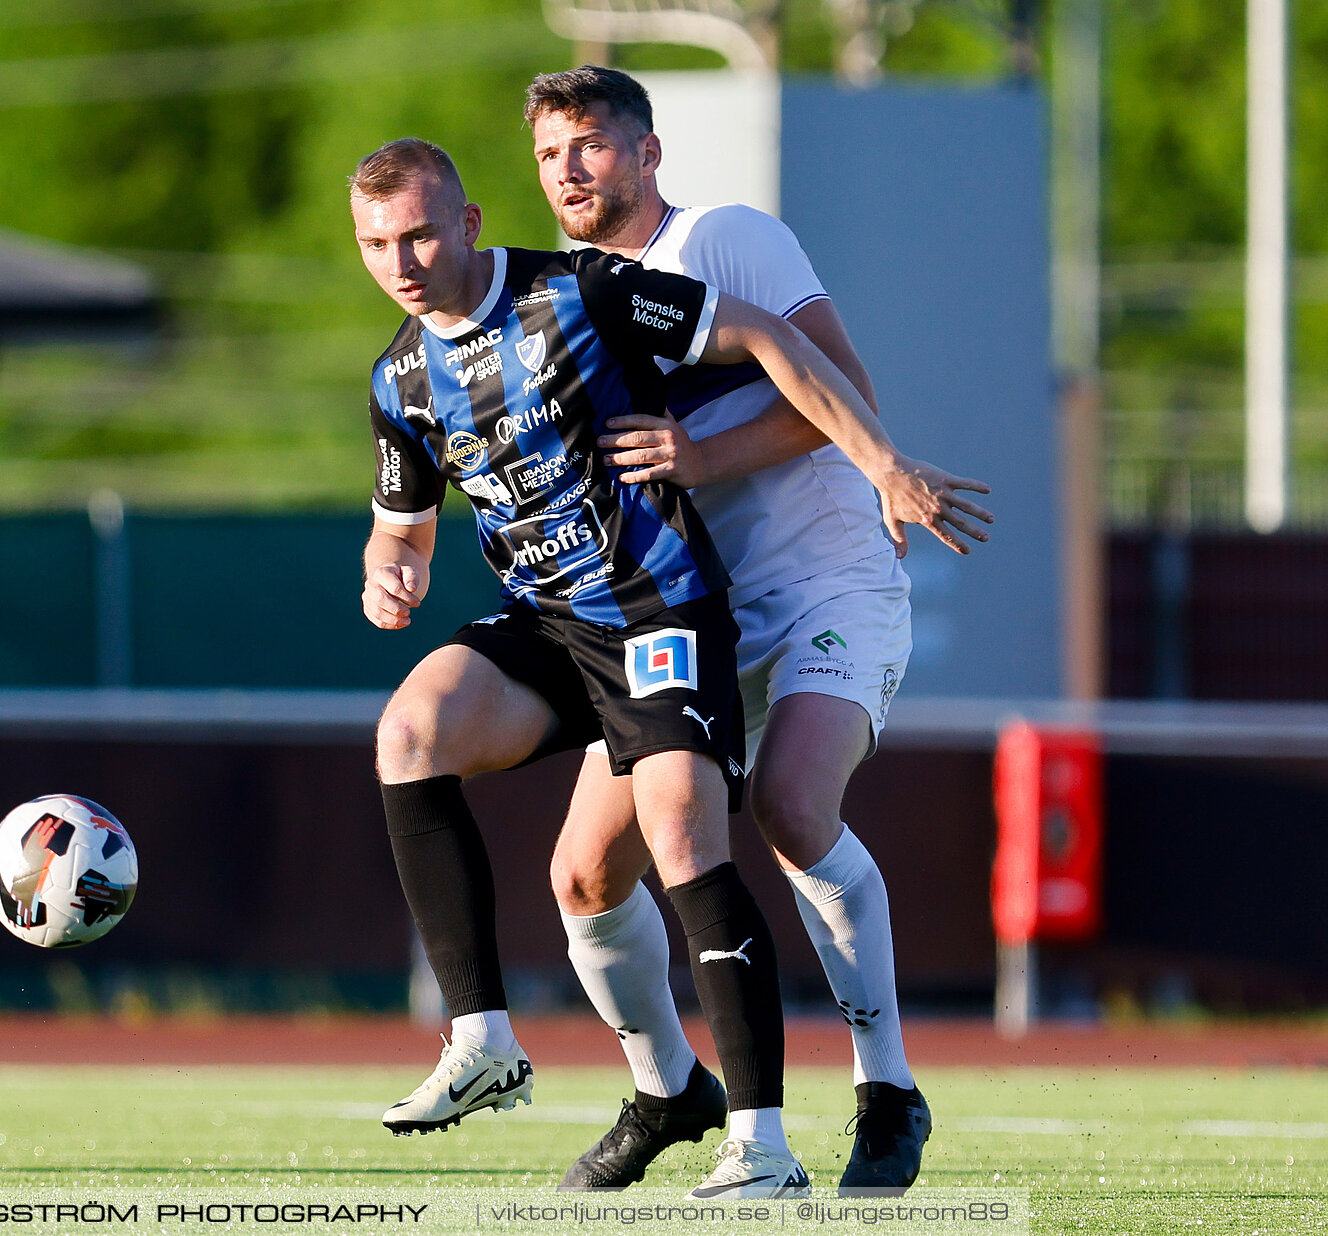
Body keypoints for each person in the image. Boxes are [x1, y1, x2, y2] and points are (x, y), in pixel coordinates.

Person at [350, 136, 980, 1200]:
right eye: (376, 243)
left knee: (714, 825)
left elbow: (776, 339)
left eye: (418, 232)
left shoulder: (600, 283)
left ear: (468, 222)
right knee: (435, 753)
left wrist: (884, 465)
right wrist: (386, 572)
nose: (401, 260)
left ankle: (780, 1139)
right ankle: (503, 1043)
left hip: (662, 608)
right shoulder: (400, 374)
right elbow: (401, 531)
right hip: (551, 624)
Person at [522, 66, 992, 1197]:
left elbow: (840, 381)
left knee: (789, 805)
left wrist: (787, 463)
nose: (570, 170)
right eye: (549, 154)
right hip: (690, 614)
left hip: (829, 583)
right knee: (584, 874)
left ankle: (886, 1090)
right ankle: (667, 1089)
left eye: (589, 144)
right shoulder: (564, 300)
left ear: (647, 153)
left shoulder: (724, 239)